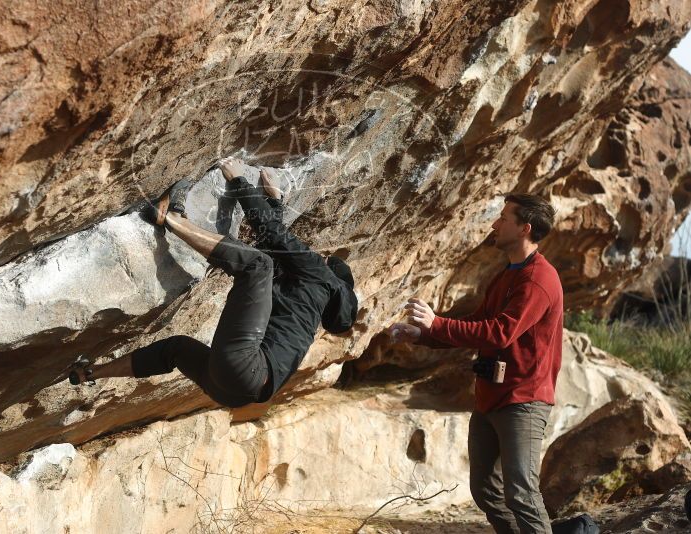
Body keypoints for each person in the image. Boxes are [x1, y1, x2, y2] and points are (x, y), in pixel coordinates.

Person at [68, 158, 358, 409]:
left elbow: (270, 238)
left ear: (330, 269)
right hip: (234, 393)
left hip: (248, 366)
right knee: (175, 349)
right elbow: (275, 248)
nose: (319, 255)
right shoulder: (309, 305)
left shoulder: (322, 277)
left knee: (258, 266)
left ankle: (171, 218)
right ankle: (91, 372)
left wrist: (238, 179)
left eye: (325, 257)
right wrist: (274, 202)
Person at [391, 193, 563, 534]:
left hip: (523, 402)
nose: (495, 224)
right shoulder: (506, 276)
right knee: (485, 491)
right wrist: (420, 334)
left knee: (522, 494)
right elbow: (477, 328)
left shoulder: (537, 280)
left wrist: (436, 322)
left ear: (525, 228)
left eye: (504, 219)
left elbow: (500, 333)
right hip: (490, 398)